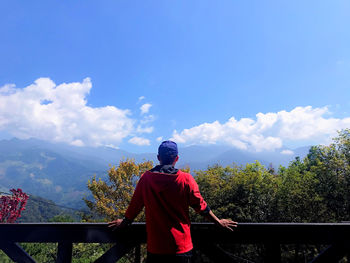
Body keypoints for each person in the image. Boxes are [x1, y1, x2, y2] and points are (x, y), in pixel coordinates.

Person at [108, 140, 237, 263]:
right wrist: (218, 222)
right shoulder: (185, 179)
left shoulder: (146, 179)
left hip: (156, 248)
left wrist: (124, 222)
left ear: (158, 157)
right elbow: (200, 207)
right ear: (177, 158)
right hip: (181, 247)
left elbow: (135, 206)